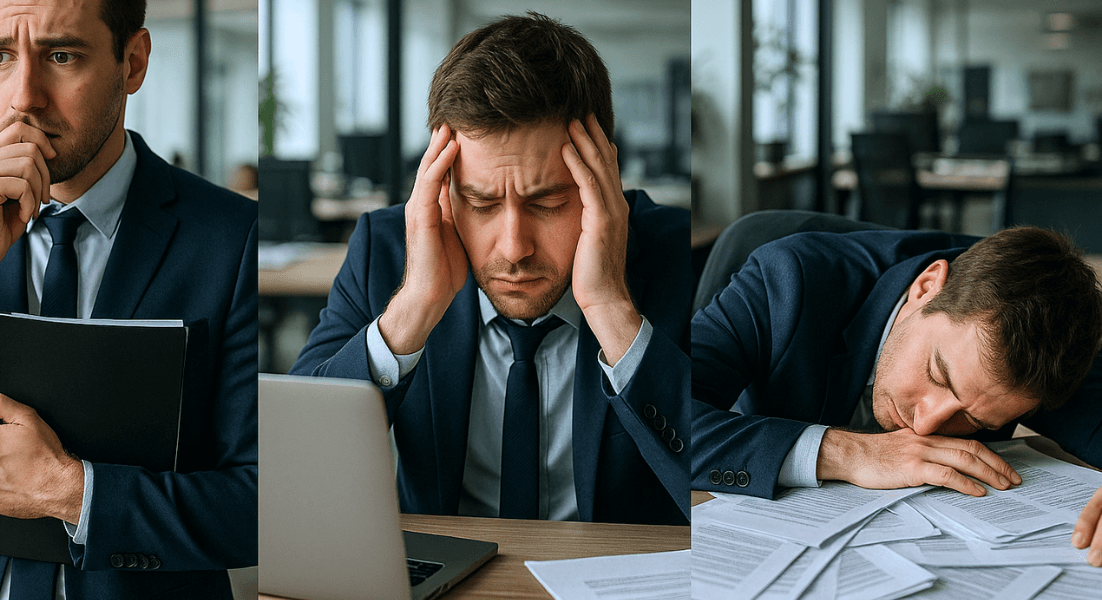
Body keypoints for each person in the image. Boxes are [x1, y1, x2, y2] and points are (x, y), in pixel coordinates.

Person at [0, 0, 256, 598]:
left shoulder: (232, 239)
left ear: (133, 63)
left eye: (61, 55)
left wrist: (72, 492)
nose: (24, 98)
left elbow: (261, 504)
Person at [292, 13, 689, 525]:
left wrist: (612, 310)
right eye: (481, 204)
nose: (514, 248)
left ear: (604, 179)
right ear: (444, 188)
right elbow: (295, 465)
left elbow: (721, 487)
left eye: (547, 204)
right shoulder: (385, 250)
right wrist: (413, 308)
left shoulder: (676, 254)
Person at [692, 220, 1102, 563]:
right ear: (926, 288)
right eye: (938, 375)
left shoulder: (1049, 339)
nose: (924, 426)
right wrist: (847, 452)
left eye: (972, 419)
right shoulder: (786, 279)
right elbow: (664, 415)